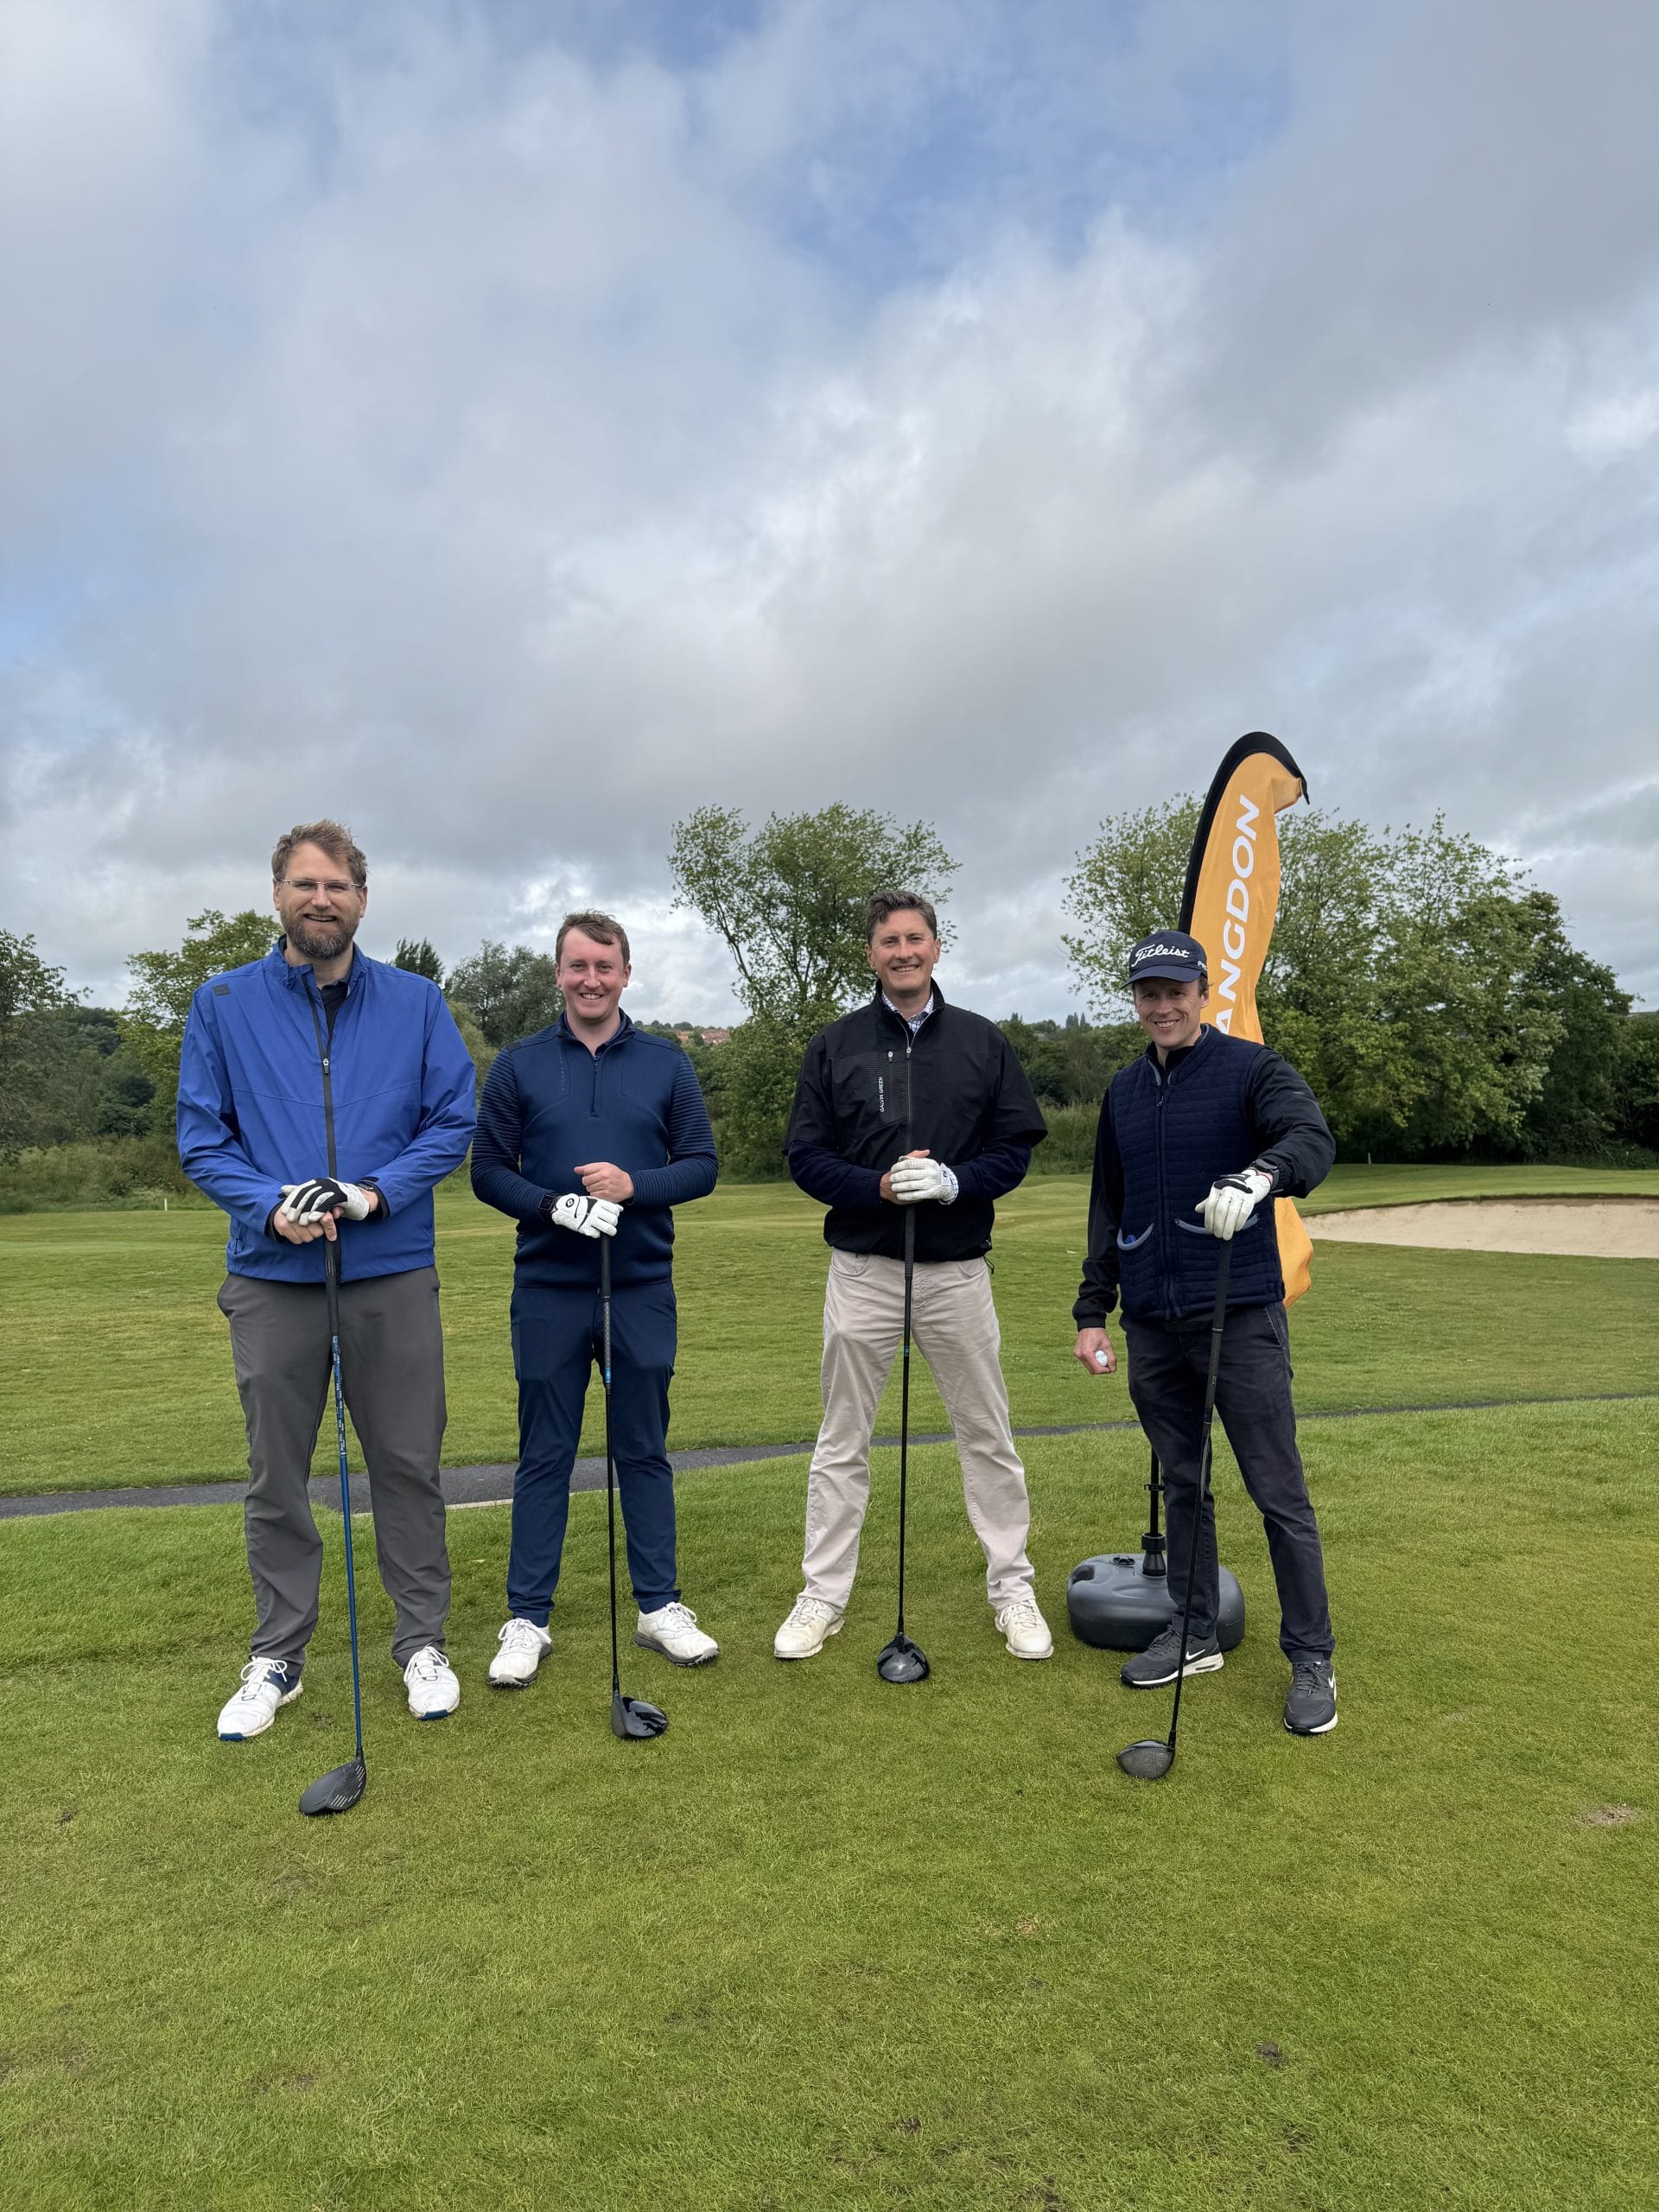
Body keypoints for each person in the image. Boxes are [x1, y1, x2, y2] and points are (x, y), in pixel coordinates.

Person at [178, 820, 476, 1741]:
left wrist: (373, 1193)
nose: (321, 899)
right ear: (278, 894)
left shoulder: (417, 1002)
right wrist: (270, 1207)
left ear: (362, 900)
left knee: (408, 1463)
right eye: (305, 884)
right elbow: (202, 1139)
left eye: (337, 886)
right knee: (277, 1473)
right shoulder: (222, 1003)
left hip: (390, 1268)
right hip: (275, 1274)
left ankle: (421, 1642)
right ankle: (278, 1654)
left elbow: (451, 1120)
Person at [773, 888, 1053, 1662]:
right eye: (889, 941)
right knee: (841, 1441)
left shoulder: (981, 1041)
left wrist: (957, 1181)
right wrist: (877, 1188)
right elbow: (806, 1157)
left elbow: (1014, 1149)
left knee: (987, 1435)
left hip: (955, 1272)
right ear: (871, 955)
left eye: (915, 939)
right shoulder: (835, 1045)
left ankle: (1013, 1589)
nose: (903, 952)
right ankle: (822, 1595)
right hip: (864, 1269)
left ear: (936, 946)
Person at [1071, 928, 1338, 1734]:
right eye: (1148, 993)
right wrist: (1092, 1310)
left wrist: (1262, 1175)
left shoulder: (1252, 1069)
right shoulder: (1124, 1090)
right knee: (1183, 1484)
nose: (1163, 1006)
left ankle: (1312, 1656)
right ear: (1136, 1000)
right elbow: (1109, 1206)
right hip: (1154, 1323)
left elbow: (1310, 1140)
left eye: (1176, 992)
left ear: (1203, 993)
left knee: (1278, 1493)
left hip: (1240, 1314)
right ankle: (1193, 1632)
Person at [470, 910, 720, 1684]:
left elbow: (701, 1165)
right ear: (559, 973)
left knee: (642, 1447)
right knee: (545, 1453)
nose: (591, 979)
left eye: (604, 967)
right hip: (548, 1287)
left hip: (639, 1286)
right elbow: (488, 1171)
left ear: (626, 974)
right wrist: (553, 1205)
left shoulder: (666, 1061)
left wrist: (632, 1186)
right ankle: (528, 1618)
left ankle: (659, 1607)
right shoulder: (518, 1064)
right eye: (577, 966)